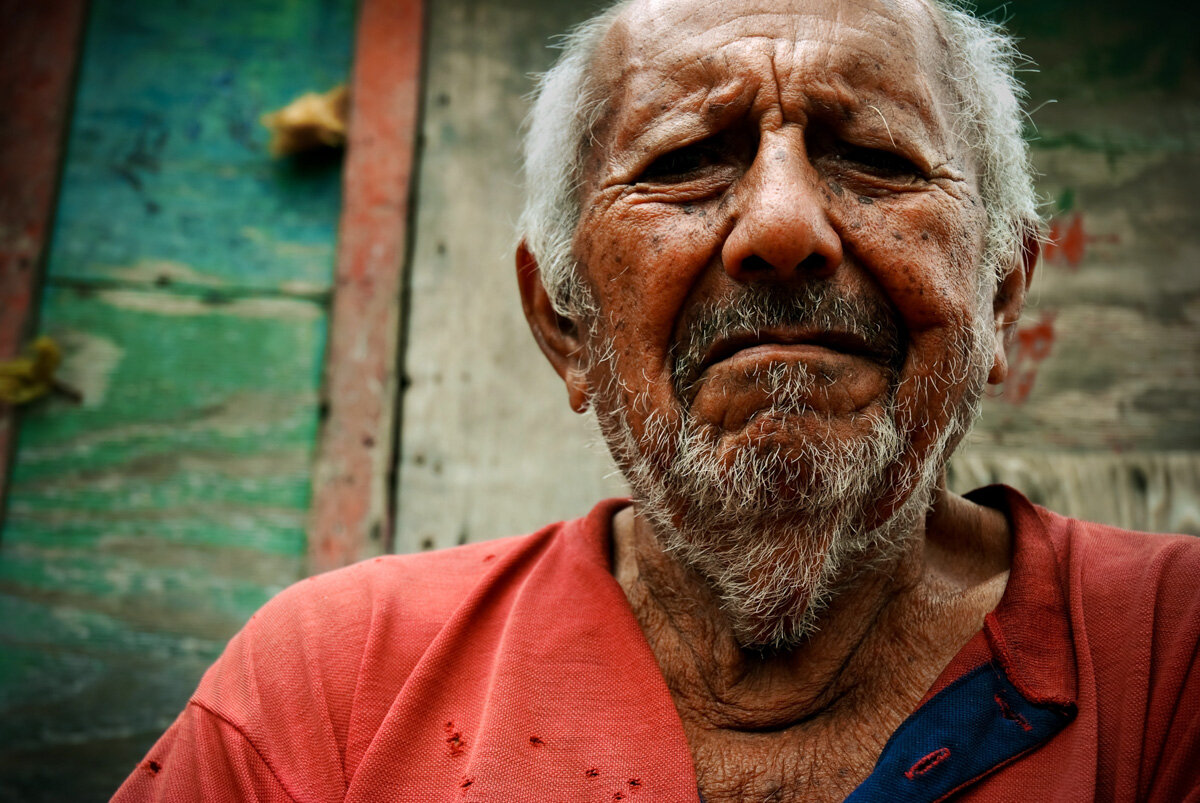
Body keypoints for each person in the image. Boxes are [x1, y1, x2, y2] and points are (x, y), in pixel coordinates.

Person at [114, 0, 1200, 800]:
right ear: (565, 323)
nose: (783, 228)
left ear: (1000, 294)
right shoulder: (331, 683)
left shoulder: (1169, 650)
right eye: (686, 160)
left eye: (873, 157)